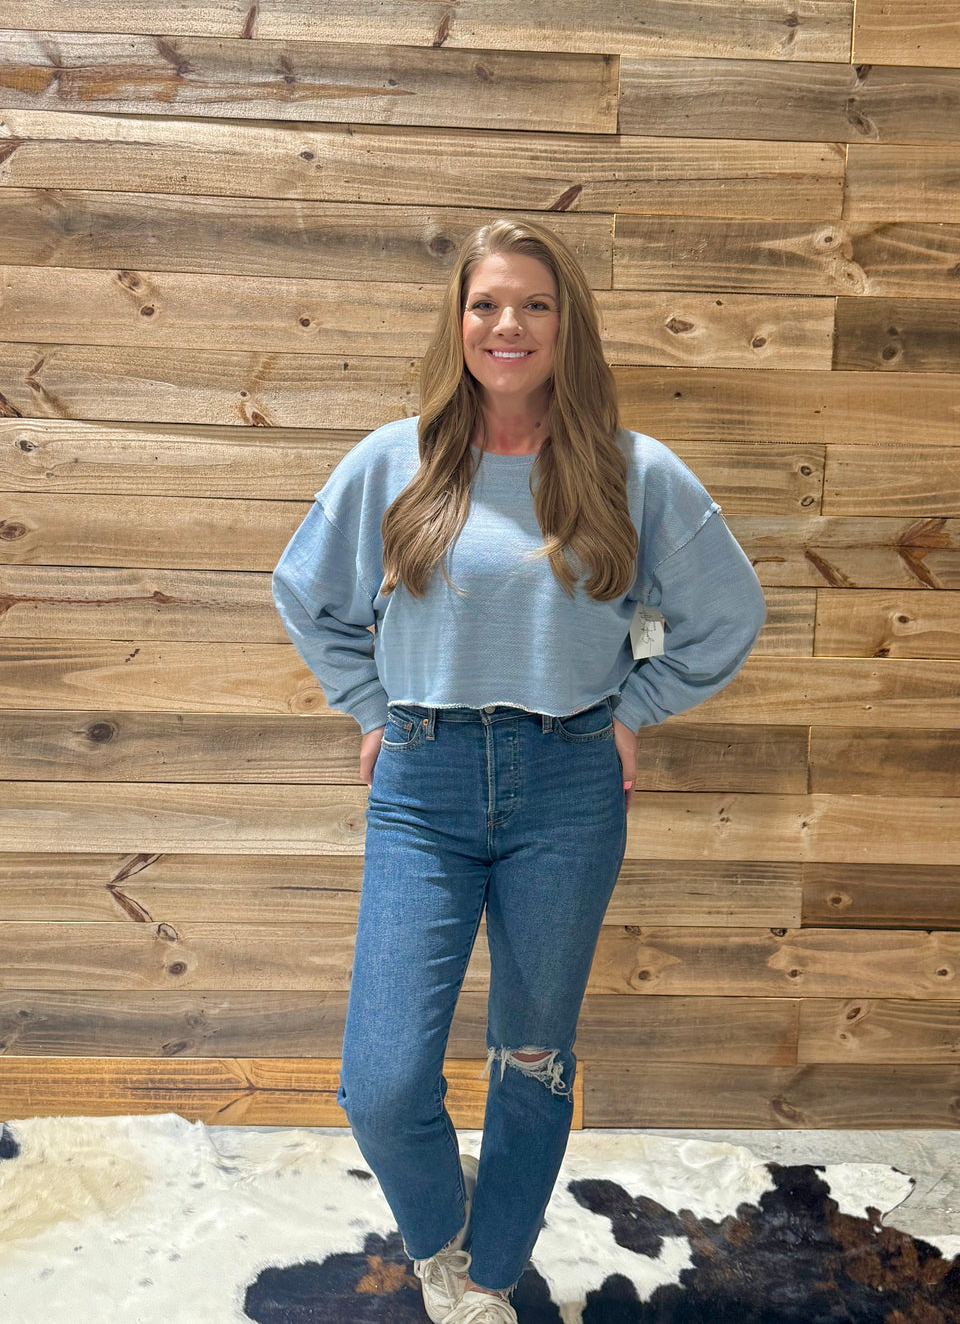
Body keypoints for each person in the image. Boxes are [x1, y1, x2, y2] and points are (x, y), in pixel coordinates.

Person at [271, 216, 767, 1322]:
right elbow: (308, 598)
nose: (508, 324)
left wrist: (634, 708)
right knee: (384, 1079)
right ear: (457, 322)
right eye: (486, 303)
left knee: (531, 1054)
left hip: (568, 787)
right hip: (423, 786)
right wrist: (369, 706)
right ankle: (444, 1243)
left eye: (533, 304)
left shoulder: (632, 471)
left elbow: (727, 615)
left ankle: (487, 1283)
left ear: (565, 326)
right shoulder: (392, 462)